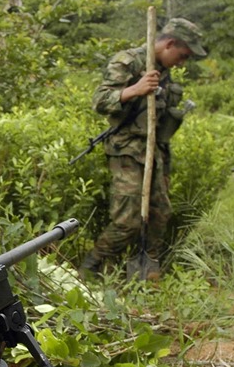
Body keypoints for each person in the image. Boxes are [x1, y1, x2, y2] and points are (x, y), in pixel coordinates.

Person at [80, 18, 206, 280]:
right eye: (182, 55)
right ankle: (89, 268)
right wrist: (135, 90)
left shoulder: (165, 72)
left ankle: (145, 274)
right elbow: (100, 100)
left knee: (160, 215)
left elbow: (162, 132)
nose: (182, 63)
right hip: (126, 150)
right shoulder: (128, 61)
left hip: (154, 154)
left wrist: (166, 169)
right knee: (127, 221)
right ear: (170, 44)